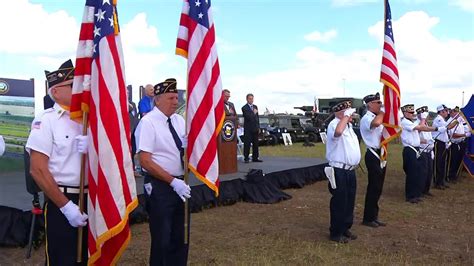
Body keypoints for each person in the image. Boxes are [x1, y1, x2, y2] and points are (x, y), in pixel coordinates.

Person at [25, 59, 89, 265]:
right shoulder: (46, 120)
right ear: (55, 91)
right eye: (72, 85)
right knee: (63, 259)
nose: (79, 89)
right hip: (62, 200)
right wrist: (66, 207)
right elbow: (37, 169)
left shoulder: (90, 120)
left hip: (92, 199)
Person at [135, 78, 191, 266]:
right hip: (160, 186)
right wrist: (172, 182)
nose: (176, 101)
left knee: (180, 236)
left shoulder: (179, 120)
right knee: (162, 238)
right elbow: (145, 161)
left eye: (176, 97)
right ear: (157, 100)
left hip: (181, 184)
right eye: (171, 98)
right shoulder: (148, 122)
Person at [325, 100, 360, 243]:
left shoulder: (349, 126)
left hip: (350, 170)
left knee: (349, 201)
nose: (351, 115)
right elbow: (338, 133)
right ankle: (336, 232)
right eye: (348, 112)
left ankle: (345, 227)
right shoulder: (334, 124)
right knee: (340, 201)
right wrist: (345, 117)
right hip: (338, 169)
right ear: (341, 112)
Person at [400, 104, 444, 204]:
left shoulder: (410, 122)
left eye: (413, 112)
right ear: (405, 113)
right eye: (410, 112)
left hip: (415, 149)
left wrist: (435, 131)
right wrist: (424, 119)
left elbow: (423, 129)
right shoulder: (405, 122)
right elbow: (421, 128)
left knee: (417, 173)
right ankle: (411, 196)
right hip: (409, 149)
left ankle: (416, 194)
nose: (412, 114)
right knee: (412, 173)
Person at [360, 92, 387, 228]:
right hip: (372, 154)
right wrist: (383, 112)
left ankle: (374, 216)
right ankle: (368, 218)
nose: (380, 105)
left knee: (378, 187)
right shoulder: (367, 118)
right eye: (378, 103)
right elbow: (376, 124)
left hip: (381, 153)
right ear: (370, 104)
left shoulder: (377, 116)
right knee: (373, 186)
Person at [432, 104, 457, 189]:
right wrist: (458, 120)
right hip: (438, 143)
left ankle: (441, 181)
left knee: (443, 163)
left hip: (443, 143)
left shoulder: (442, 119)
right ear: (441, 111)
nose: (447, 112)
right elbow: (449, 127)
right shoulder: (438, 119)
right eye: (446, 111)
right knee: (438, 163)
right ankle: (437, 182)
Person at [416, 106, 435, 197]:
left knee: (429, 171)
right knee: (422, 172)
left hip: (429, 150)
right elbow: (416, 138)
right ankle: (420, 190)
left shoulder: (426, 124)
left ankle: (426, 190)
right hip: (422, 150)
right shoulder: (417, 124)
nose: (426, 117)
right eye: (425, 115)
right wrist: (426, 141)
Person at [447, 106, 468, 183]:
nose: (457, 114)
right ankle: (450, 176)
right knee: (453, 161)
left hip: (461, 142)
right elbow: (453, 135)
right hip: (454, 143)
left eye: (457, 112)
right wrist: (464, 135)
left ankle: (455, 175)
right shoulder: (451, 122)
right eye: (455, 112)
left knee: (458, 160)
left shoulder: (459, 120)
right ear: (451, 113)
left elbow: (465, 128)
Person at [241, 93, 262, 163]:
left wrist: (258, 127)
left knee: (256, 144)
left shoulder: (255, 107)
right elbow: (248, 117)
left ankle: (255, 157)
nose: (251, 100)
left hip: (255, 128)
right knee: (247, 144)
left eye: (252, 98)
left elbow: (257, 118)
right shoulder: (244, 108)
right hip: (248, 129)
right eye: (250, 99)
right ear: (247, 99)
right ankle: (246, 158)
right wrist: (253, 113)